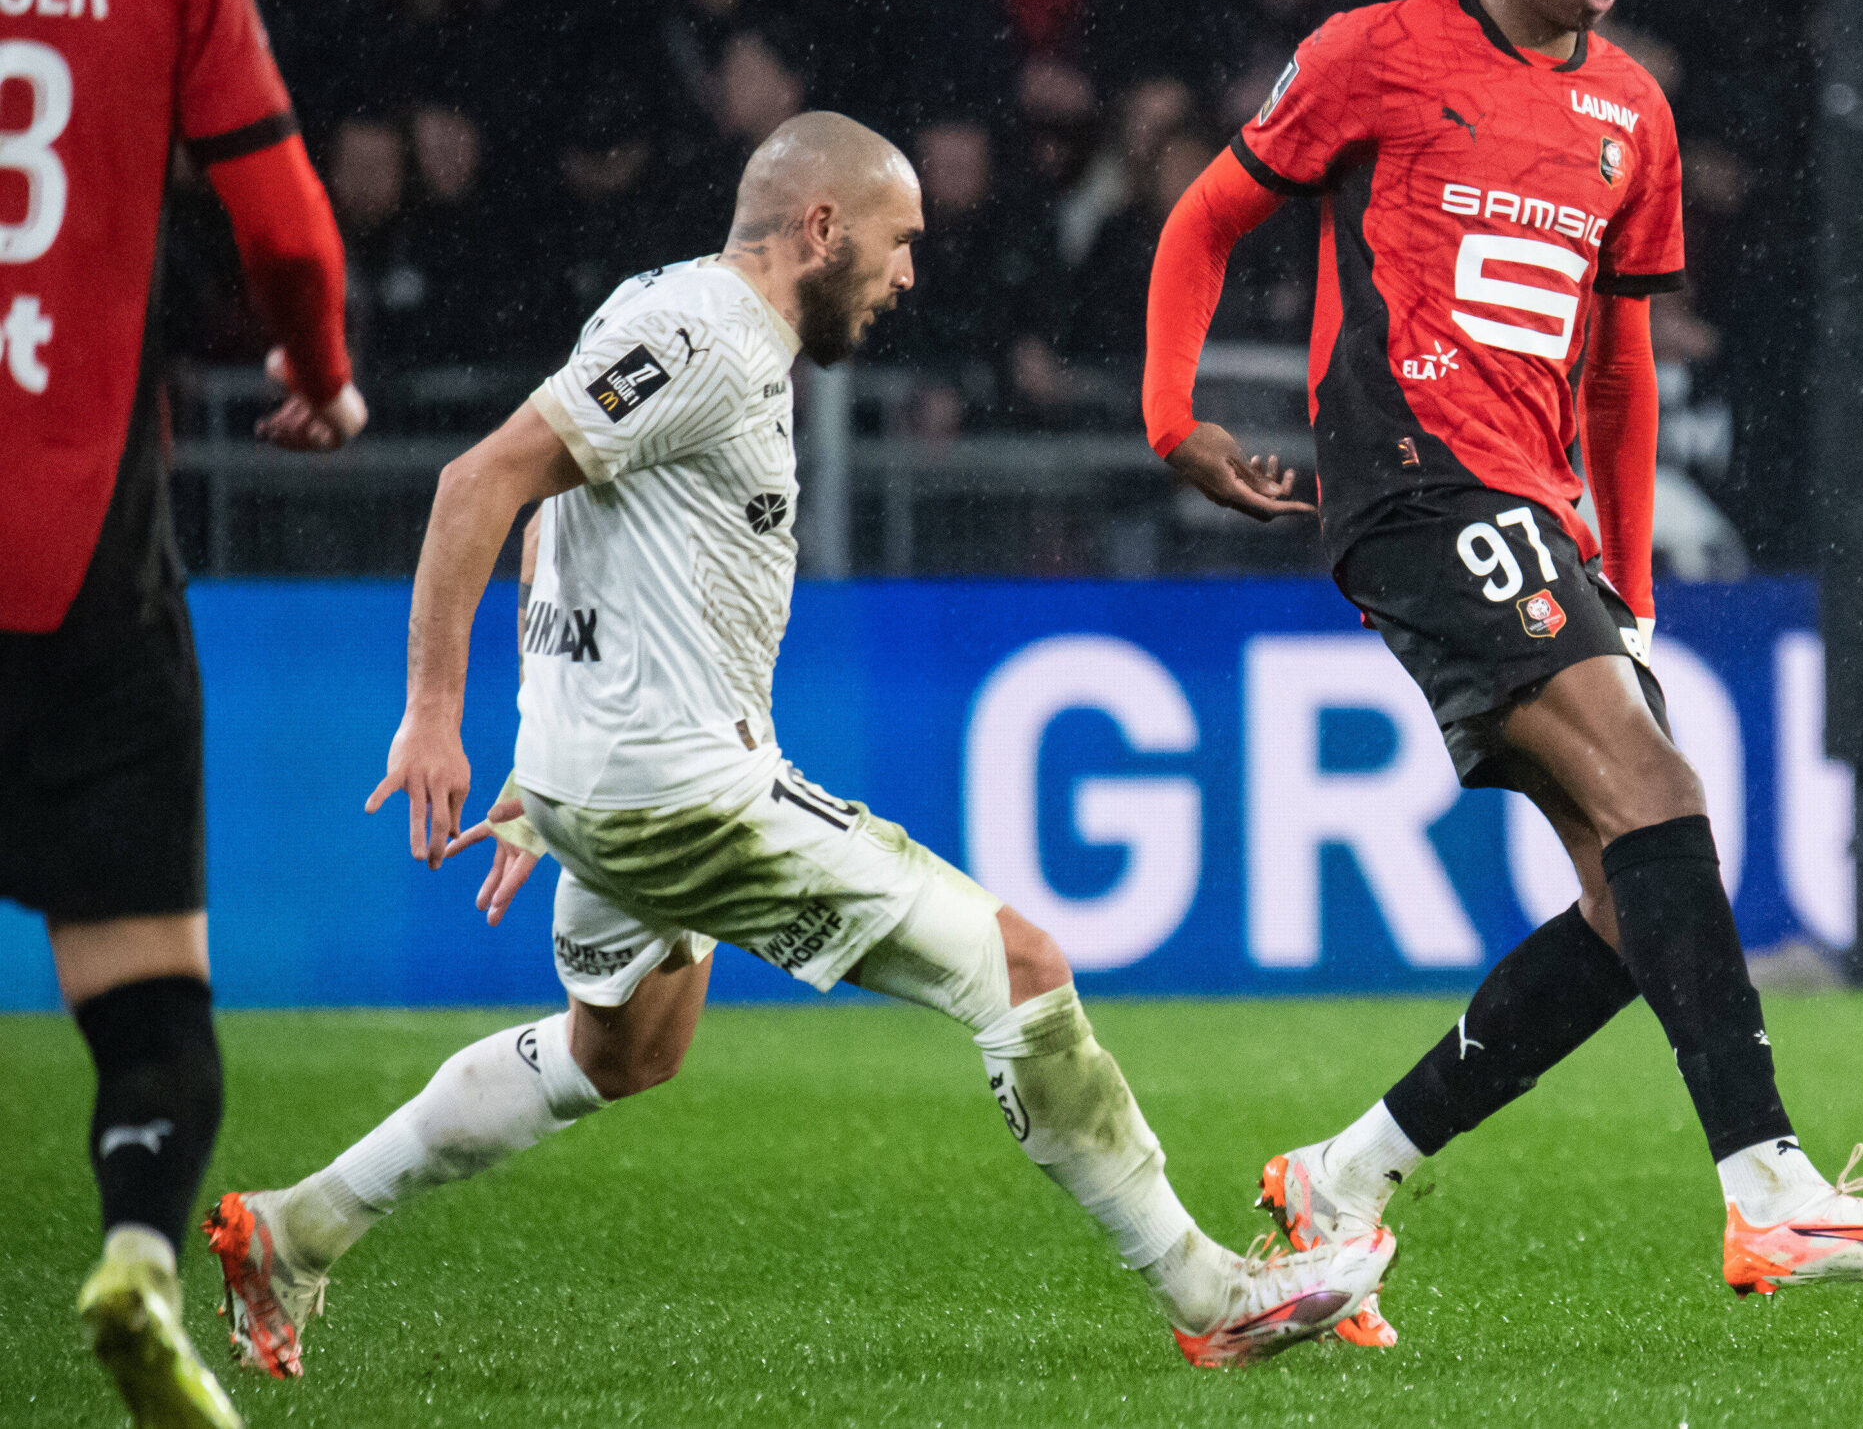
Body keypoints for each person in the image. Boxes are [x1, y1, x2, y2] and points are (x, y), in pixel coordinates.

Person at [203, 112, 1395, 1381]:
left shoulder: (658, 306)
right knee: (1019, 966)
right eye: (898, 240)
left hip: (604, 776)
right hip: (681, 790)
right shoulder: (706, 337)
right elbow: (479, 481)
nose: (909, 273)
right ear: (820, 228)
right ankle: (1209, 1292)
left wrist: (551, 746)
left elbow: (560, 502)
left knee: (626, 1049)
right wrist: (435, 716)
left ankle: (296, 1228)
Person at [1138, 0, 1863, 1348]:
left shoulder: (1633, 113)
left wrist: (1633, 593)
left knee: (1632, 900)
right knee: (1663, 793)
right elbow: (1204, 218)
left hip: (1541, 518)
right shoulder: (1377, 53)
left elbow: (1621, 372)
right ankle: (1771, 1187)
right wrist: (1173, 415)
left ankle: (1343, 1174)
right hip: (1411, 482)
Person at [0, 0, 363, 1424]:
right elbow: (283, 226)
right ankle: (142, 1250)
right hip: (78, 551)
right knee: (149, 1003)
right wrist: (323, 373)